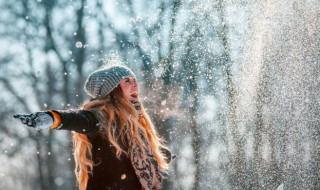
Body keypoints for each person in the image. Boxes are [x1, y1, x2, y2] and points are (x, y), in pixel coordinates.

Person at [14, 63, 172, 190]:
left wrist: (157, 154)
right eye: (127, 81)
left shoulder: (136, 127)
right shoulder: (103, 119)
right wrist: (53, 118)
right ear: (113, 90)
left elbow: (132, 156)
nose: (135, 85)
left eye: (135, 80)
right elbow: (79, 119)